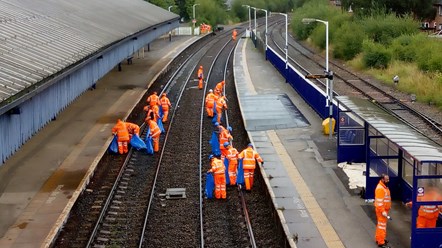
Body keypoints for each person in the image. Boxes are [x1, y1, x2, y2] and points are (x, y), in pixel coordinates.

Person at [374, 174, 392, 248]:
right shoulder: (381, 189)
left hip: (383, 210)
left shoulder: (383, 187)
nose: (388, 181)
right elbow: (379, 202)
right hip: (382, 211)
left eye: (388, 179)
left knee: (380, 225)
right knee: (382, 226)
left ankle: (379, 239)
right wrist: (383, 211)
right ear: (382, 179)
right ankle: (381, 242)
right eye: (387, 179)